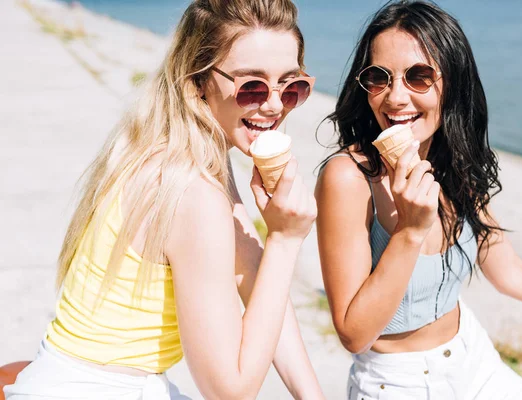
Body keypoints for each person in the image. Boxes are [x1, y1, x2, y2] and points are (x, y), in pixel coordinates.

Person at [4, 0, 324, 399]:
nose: (275, 104)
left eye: (292, 86)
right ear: (199, 81)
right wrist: (287, 240)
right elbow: (231, 390)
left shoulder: (172, 147)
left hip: (70, 376)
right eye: (251, 87)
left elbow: (255, 273)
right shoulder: (193, 191)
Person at [315, 1, 522, 399]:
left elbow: (510, 273)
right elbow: (354, 333)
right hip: (398, 381)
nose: (396, 97)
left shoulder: (453, 164)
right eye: (379, 78)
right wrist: (409, 233)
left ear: (452, 82)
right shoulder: (348, 177)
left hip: (473, 355)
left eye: (419, 76)